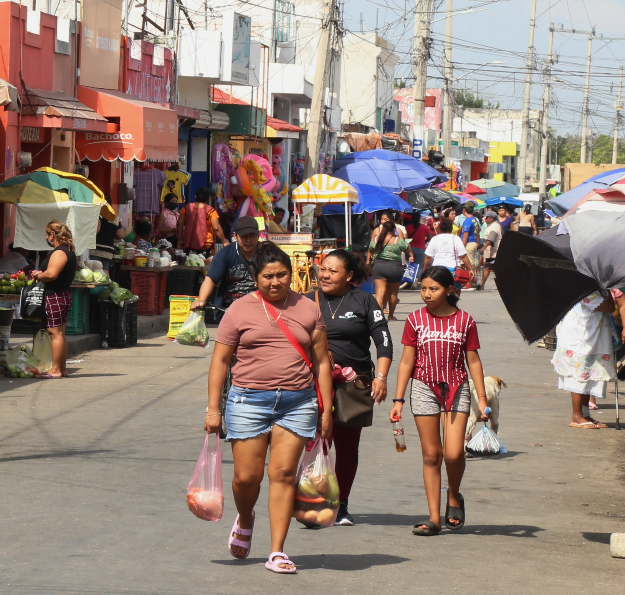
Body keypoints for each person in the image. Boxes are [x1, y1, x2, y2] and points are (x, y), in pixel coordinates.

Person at [205, 242, 333, 574]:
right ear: (255, 276)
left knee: (283, 475)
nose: (275, 282)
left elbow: (321, 362)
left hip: (298, 402)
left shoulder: (308, 309)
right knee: (247, 477)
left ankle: (277, 551)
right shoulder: (238, 311)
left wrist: (327, 408)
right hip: (248, 401)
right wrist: (213, 409)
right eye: (268, 277)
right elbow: (220, 362)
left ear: (291, 275)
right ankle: (246, 516)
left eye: (282, 275)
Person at [389, 266, 489, 536]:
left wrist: (482, 398)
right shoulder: (415, 320)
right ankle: (433, 517)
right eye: (423, 288)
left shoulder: (465, 321)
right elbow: (407, 361)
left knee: (454, 453)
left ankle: (453, 494)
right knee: (432, 455)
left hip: (457, 388)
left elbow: (473, 361)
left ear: (450, 291)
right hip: (422, 388)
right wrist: (398, 399)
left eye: (433, 289)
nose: (426, 294)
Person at [314, 250, 392, 526]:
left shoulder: (365, 301)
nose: (324, 275)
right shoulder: (310, 300)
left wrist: (380, 377)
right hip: (314, 384)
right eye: (323, 269)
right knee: (316, 443)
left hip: (353, 385)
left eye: (332, 271)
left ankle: (340, 504)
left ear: (349, 276)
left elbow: (383, 342)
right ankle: (313, 499)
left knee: (347, 448)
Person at [552, 290, 625, 428]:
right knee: (579, 374)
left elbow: (617, 303)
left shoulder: (600, 288)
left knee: (590, 373)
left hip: (593, 335)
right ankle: (577, 416)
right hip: (580, 337)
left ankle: (585, 414)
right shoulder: (586, 288)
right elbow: (609, 307)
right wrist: (607, 291)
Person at [31, 220, 77, 378]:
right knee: (60, 334)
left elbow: (51, 275)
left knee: (54, 333)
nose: (46, 237)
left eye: (47, 234)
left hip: (55, 295)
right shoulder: (67, 250)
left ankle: (56, 370)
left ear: (52, 235)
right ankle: (61, 369)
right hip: (62, 295)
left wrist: (39, 275)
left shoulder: (59, 252)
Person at [192, 216, 262, 313]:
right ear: (235, 235)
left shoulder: (267, 253)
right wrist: (201, 300)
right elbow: (211, 279)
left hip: (261, 308)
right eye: (244, 236)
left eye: (252, 236)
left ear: (258, 235)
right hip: (230, 309)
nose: (248, 240)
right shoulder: (225, 253)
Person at [369, 212, 411, 321]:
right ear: (394, 230)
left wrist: (368, 260)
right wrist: (410, 256)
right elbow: (407, 249)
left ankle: (378, 316)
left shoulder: (376, 239)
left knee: (380, 292)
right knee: (393, 293)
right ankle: (391, 316)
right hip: (394, 268)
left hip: (378, 267)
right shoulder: (397, 240)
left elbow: (370, 250)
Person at [177, 186, 227, 254]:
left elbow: (179, 224)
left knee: (188, 262)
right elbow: (216, 228)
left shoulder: (186, 208)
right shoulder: (211, 211)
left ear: (195, 197)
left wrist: (180, 240)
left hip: (188, 243)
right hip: (205, 244)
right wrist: (224, 242)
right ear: (207, 198)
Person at [477, 212, 503, 291]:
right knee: (487, 267)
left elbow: (491, 239)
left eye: (487, 217)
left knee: (497, 269)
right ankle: (481, 284)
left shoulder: (495, 226)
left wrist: (483, 248)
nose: (485, 219)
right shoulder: (490, 226)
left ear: (491, 218)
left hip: (495, 252)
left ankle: (502, 285)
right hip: (490, 253)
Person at [405, 211, 433, 283]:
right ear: (419, 218)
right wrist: (425, 241)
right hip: (421, 249)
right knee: (420, 266)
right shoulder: (424, 227)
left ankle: (409, 281)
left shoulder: (408, 227)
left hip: (410, 249)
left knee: (410, 265)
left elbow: (406, 239)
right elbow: (429, 237)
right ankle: (417, 280)